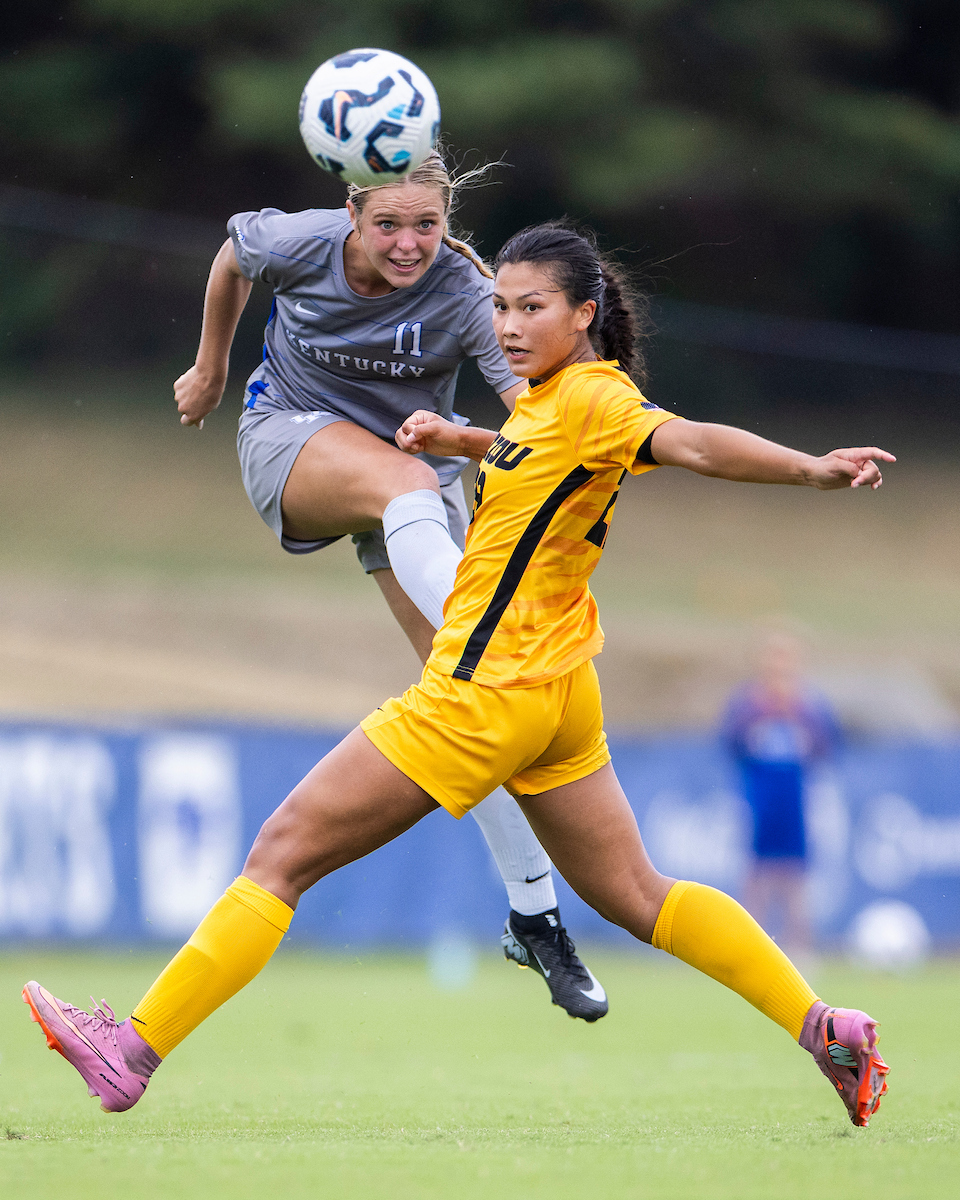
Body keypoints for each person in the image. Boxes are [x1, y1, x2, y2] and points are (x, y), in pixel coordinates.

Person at [23, 222, 892, 1128]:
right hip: (559, 689)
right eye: (502, 306)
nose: (508, 326)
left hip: (487, 690)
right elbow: (539, 458)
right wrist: (463, 437)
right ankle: (823, 1028)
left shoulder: (597, 398)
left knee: (280, 856)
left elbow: (695, 444)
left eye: (532, 307)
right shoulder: (552, 399)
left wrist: (810, 470)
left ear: (584, 313)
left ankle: (130, 1052)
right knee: (639, 895)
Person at [171, 151, 606, 1020]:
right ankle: (490, 637)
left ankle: (534, 913)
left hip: (414, 479)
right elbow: (231, 259)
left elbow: (535, 412)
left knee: (471, 695)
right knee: (468, 608)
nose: (408, 243)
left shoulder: (468, 294)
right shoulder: (301, 242)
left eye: (427, 225)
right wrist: (211, 367)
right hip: (291, 438)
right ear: (352, 214)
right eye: (387, 225)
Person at [722, 631, 842, 957]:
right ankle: (750, 948)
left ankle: (799, 948)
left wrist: (794, 715)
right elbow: (731, 741)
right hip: (759, 800)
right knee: (756, 876)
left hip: (796, 800)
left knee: (795, 878)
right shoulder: (748, 703)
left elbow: (827, 745)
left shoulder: (808, 705)